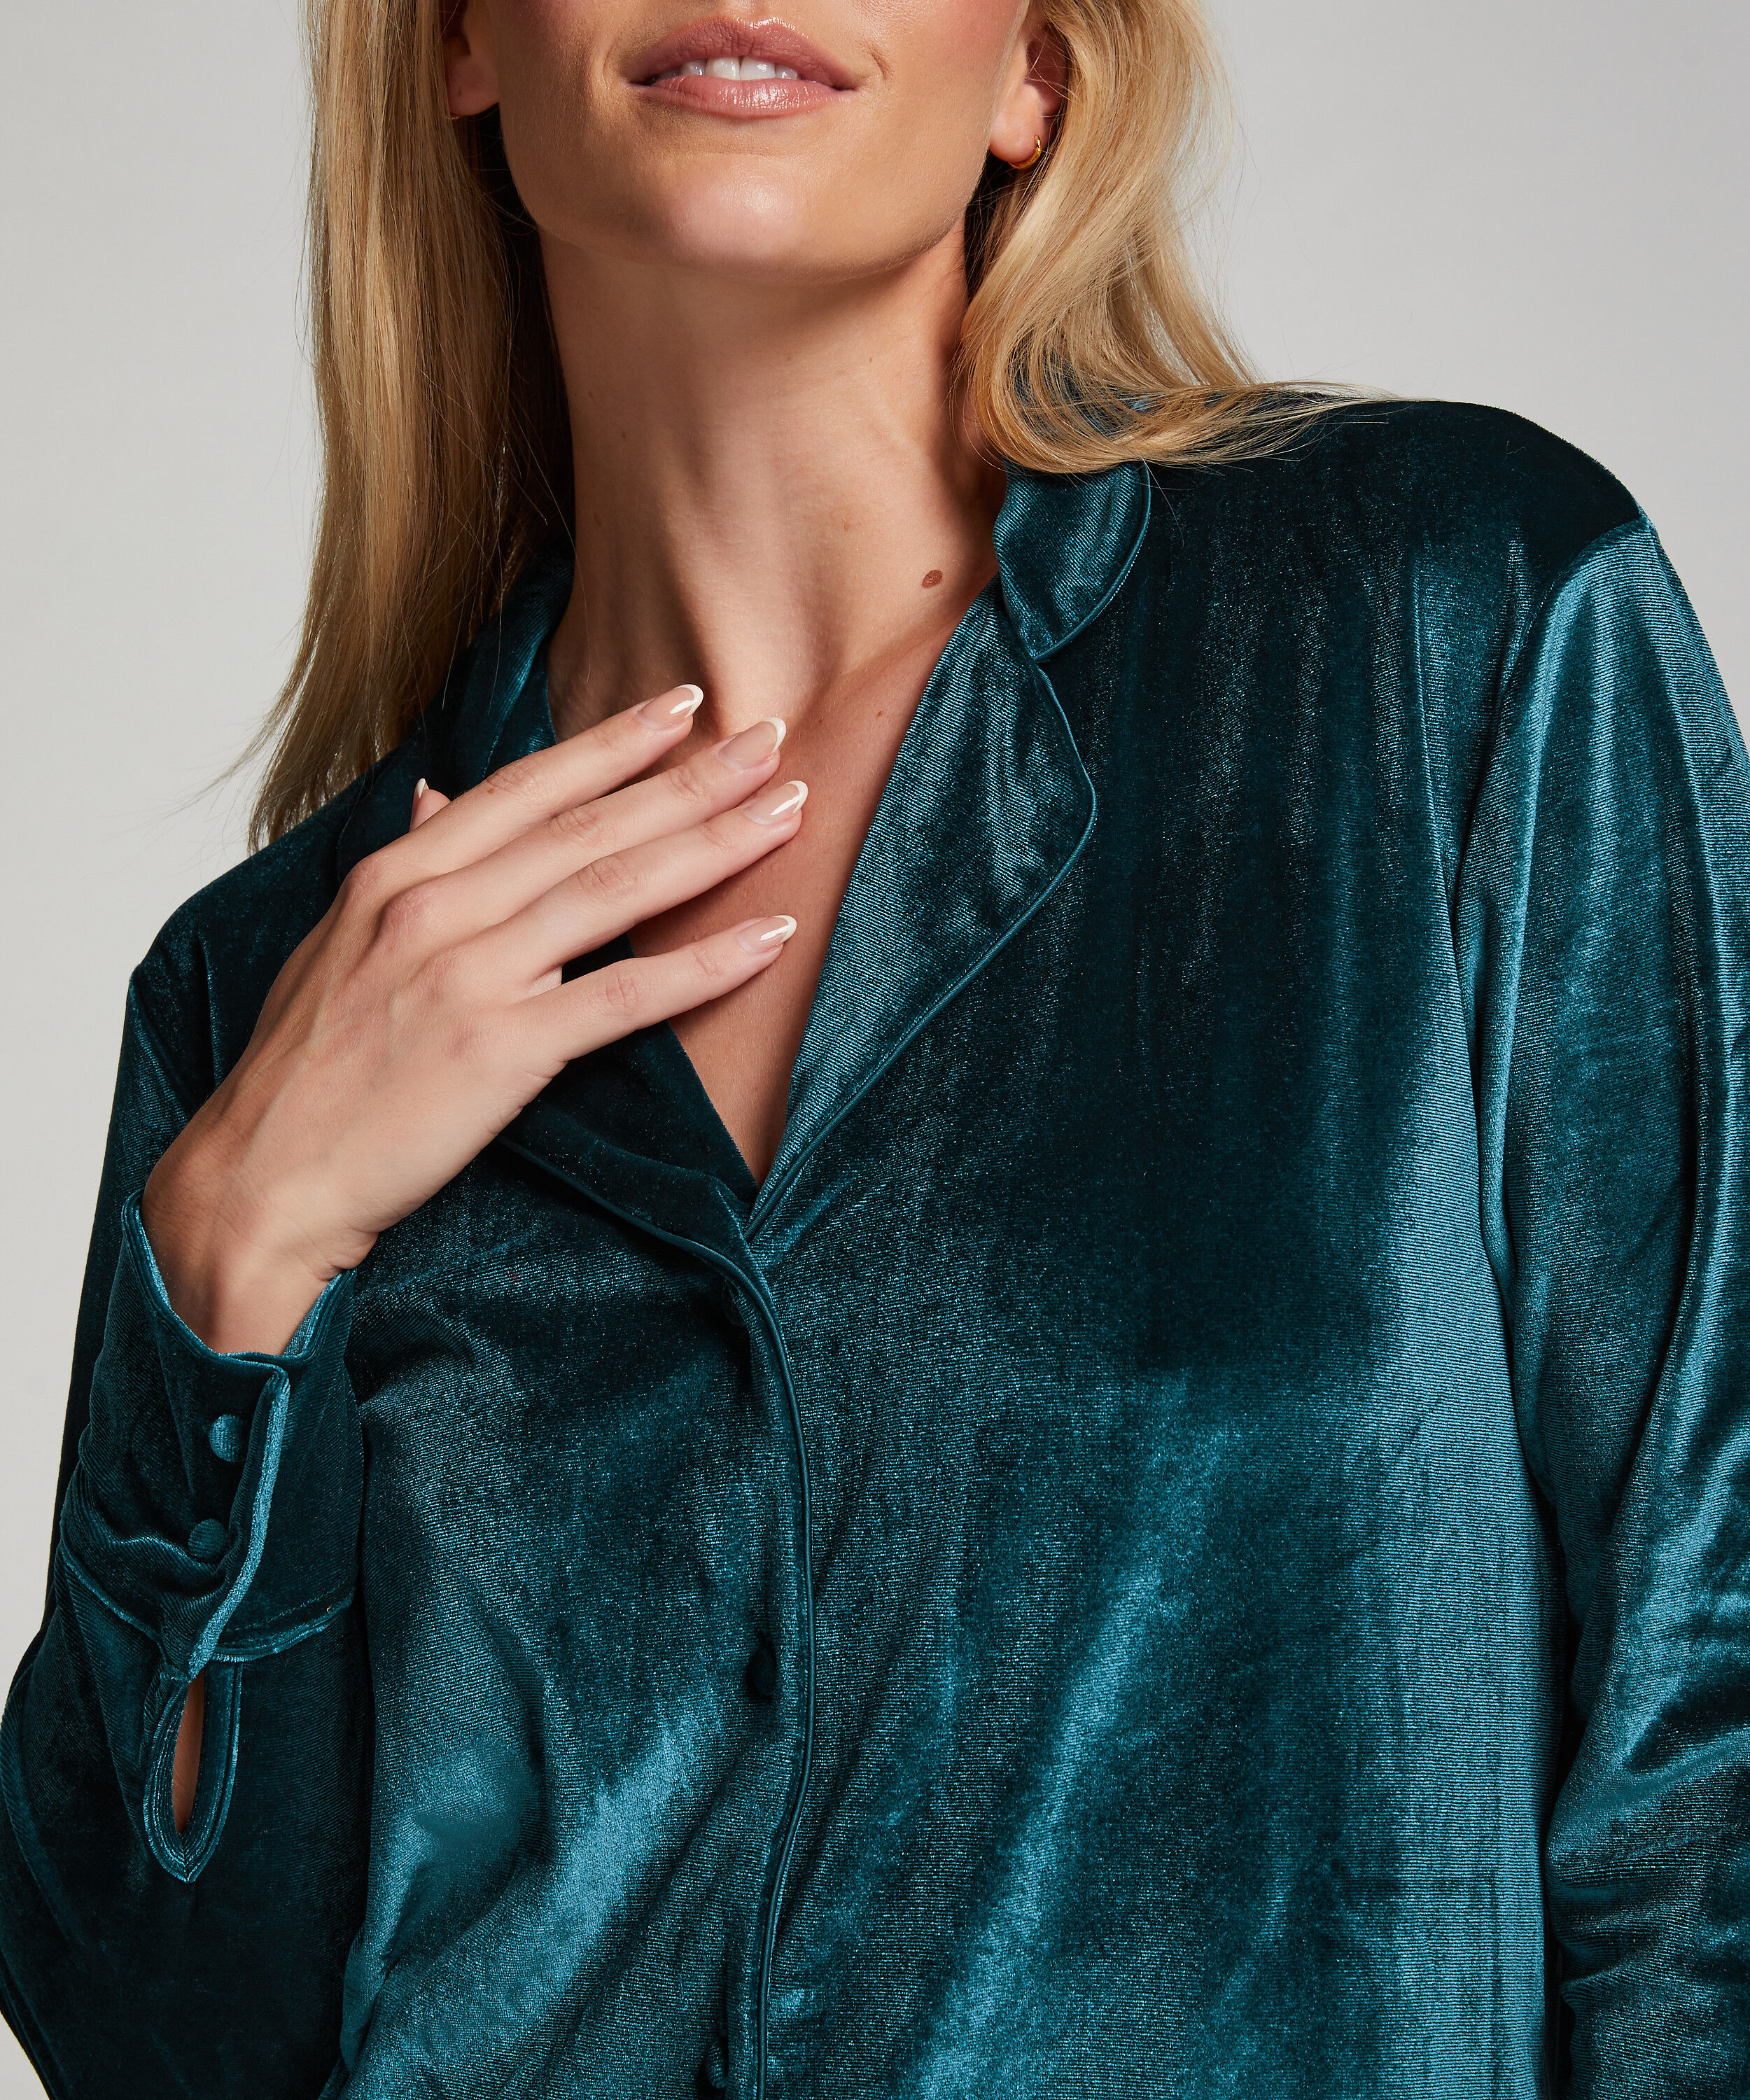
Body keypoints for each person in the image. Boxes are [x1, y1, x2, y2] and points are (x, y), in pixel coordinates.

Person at [2, 0, 1746, 2093]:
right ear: (464, 40)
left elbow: (1710, 1717)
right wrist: (237, 1255)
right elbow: (161, 2040)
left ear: (1037, 72)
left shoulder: (1437, 629)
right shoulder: (270, 991)